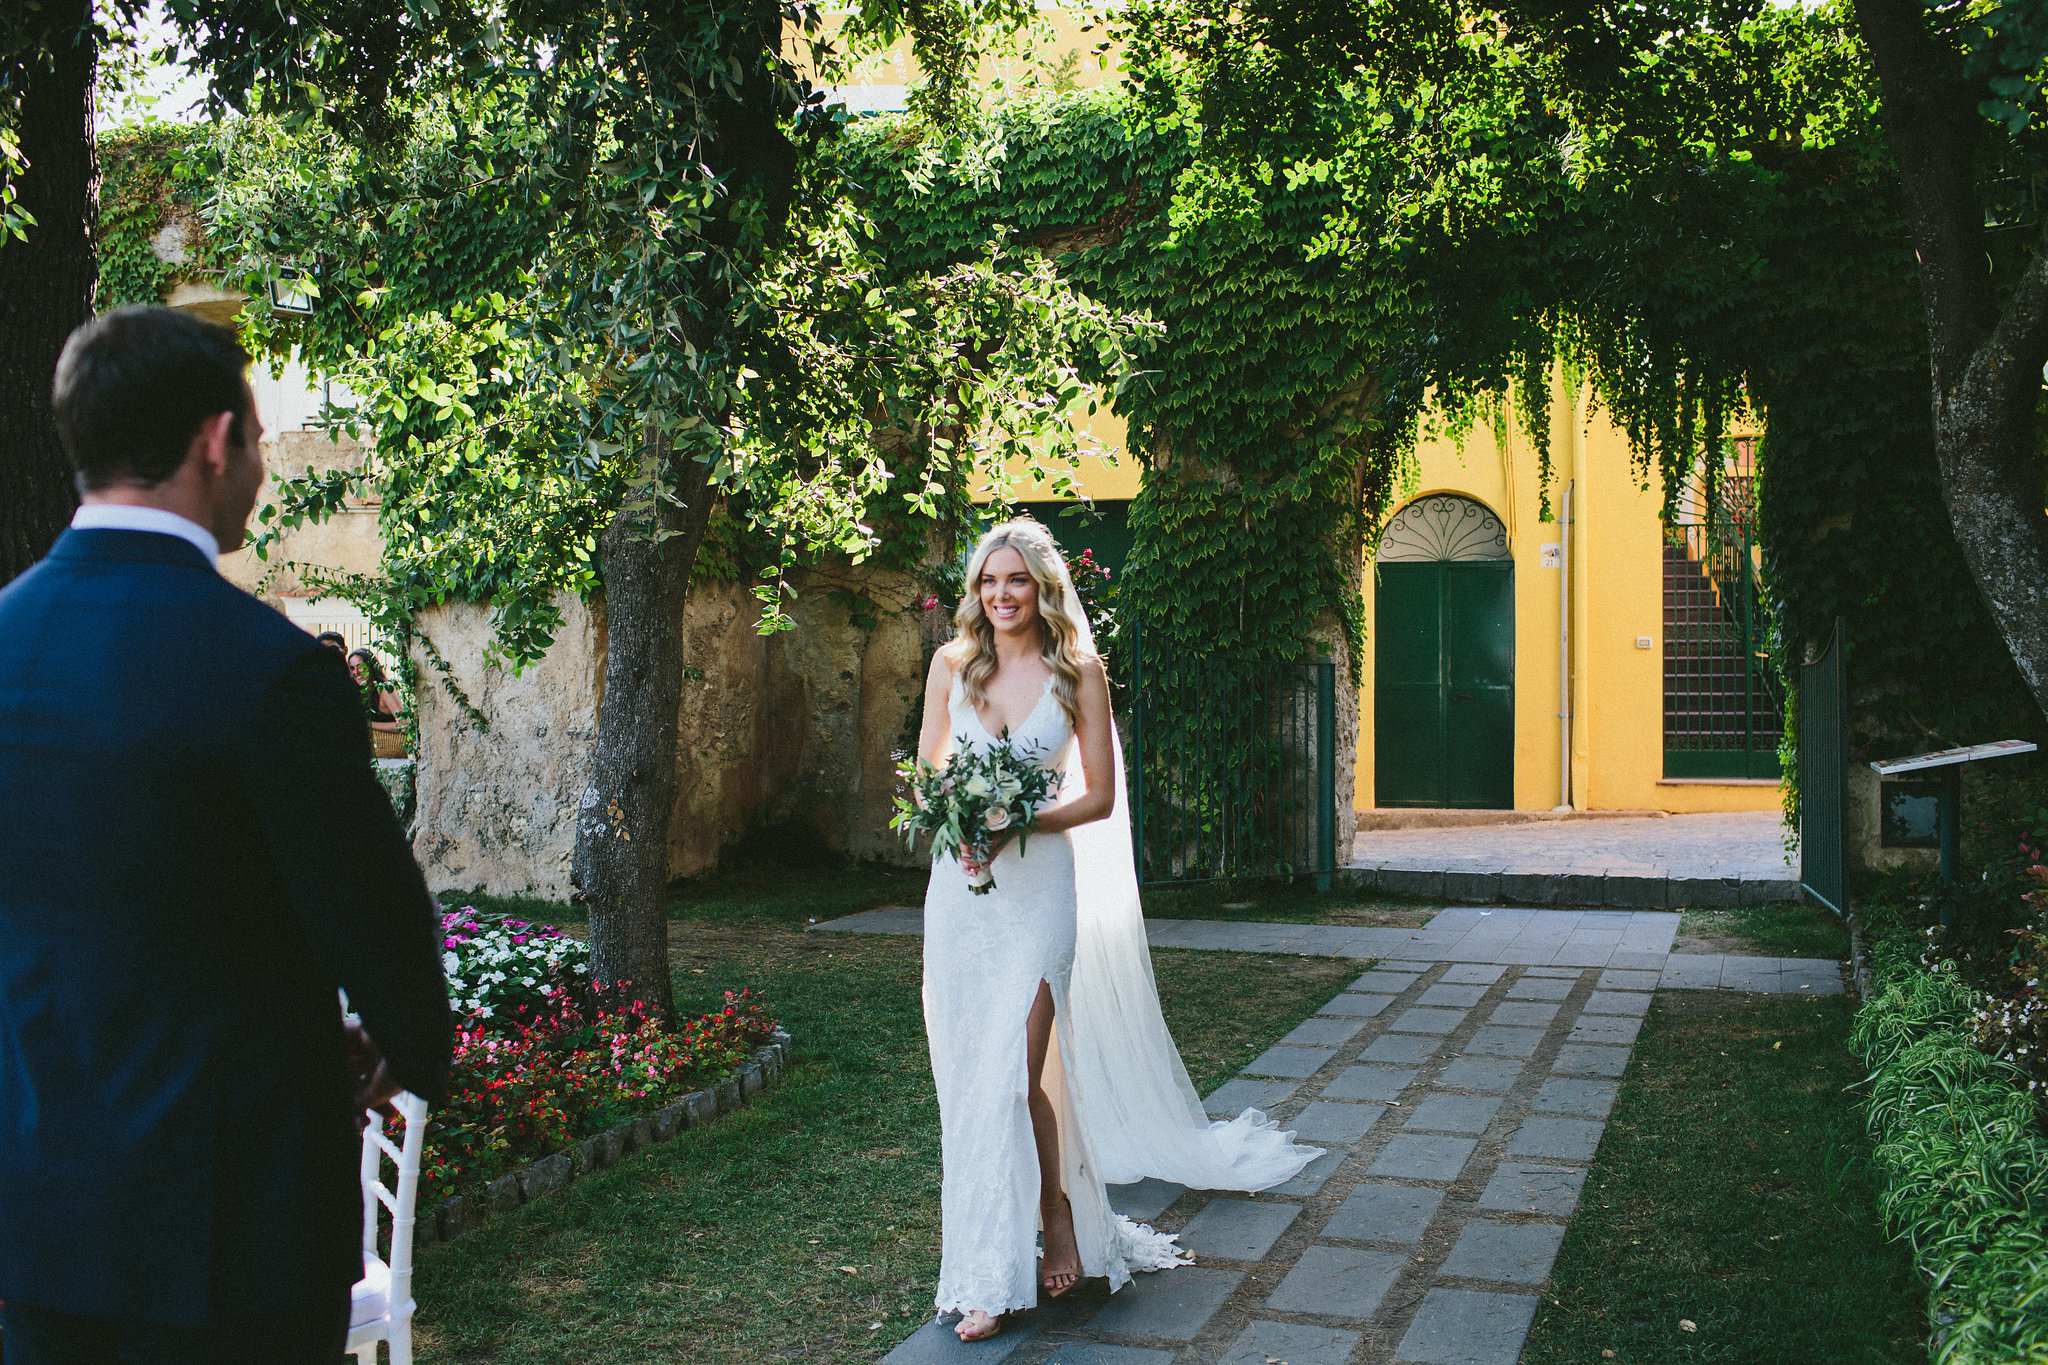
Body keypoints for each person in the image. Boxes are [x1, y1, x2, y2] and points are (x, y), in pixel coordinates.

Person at [0, 306, 452, 1365]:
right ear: (216, 441)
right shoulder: (270, 669)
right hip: (230, 1227)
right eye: (254, 433)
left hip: (36, 1215)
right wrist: (398, 1042)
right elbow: (376, 924)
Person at [916, 520, 1319, 1343]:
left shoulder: (1079, 673)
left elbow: (1098, 797)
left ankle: (995, 1277)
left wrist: (1016, 818)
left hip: (1039, 894)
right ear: (976, 590)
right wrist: (955, 814)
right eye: (989, 581)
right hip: (962, 896)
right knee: (975, 1084)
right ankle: (1052, 1209)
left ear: (1043, 589)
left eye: (1017, 581)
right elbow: (927, 770)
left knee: (1007, 1076)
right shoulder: (951, 666)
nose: (1001, 595)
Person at [348, 647, 403, 734]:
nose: (356, 672)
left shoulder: (384, 688)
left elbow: (404, 725)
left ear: (371, 666)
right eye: (352, 668)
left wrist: (369, 724)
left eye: (360, 667)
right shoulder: (358, 691)